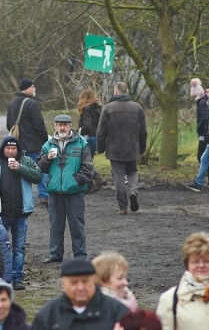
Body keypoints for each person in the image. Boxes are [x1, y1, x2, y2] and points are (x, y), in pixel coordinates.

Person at [0, 135, 42, 289]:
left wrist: (20, 168)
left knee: (19, 247)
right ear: (3, 149)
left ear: (18, 149)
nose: (10, 151)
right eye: (7, 148)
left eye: (13, 148)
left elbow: (38, 176)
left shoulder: (26, 161)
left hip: (21, 213)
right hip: (0, 213)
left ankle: (17, 278)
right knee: (0, 246)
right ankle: (1, 277)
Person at [38, 115, 93, 262]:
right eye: (59, 125)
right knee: (55, 225)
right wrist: (47, 159)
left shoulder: (82, 144)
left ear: (70, 126)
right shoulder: (47, 145)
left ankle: (80, 255)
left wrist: (75, 181)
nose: (62, 127)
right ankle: (55, 255)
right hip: (55, 192)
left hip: (75, 192)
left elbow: (88, 168)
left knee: (77, 225)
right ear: (55, 126)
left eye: (65, 125)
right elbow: (41, 168)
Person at [96, 83, 148, 213]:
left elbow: (101, 131)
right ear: (127, 92)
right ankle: (133, 192)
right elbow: (143, 131)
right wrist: (142, 147)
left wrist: (100, 148)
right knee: (132, 172)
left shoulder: (108, 108)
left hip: (115, 148)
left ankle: (123, 207)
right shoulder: (137, 108)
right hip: (132, 147)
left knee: (118, 176)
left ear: (115, 92)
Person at [6, 79, 48, 204]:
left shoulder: (12, 103)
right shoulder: (32, 103)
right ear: (26, 88)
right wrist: (45, 139)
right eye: (32, 87)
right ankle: (44, 195)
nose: (34, 89)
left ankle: (23, 196)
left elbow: (9, 125)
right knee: (39, 168)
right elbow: (39, 124)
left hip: (17, 143)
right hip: (33, 143)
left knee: (20, 169)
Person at [191, 79, 209, 186]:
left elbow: (203, 118)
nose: (193, 98)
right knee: (208, 156)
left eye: (193, 96)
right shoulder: (207, 101)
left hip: (204, 133)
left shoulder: (202, 102)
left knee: (201, 156)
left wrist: (199, 129)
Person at [76, 89, 102, 154]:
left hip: (88, 137)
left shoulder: (87, 110)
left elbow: (87, 126)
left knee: (84, 160)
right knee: (89, 160)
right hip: (96, 137)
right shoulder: (99, 109)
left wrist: (77, 131)